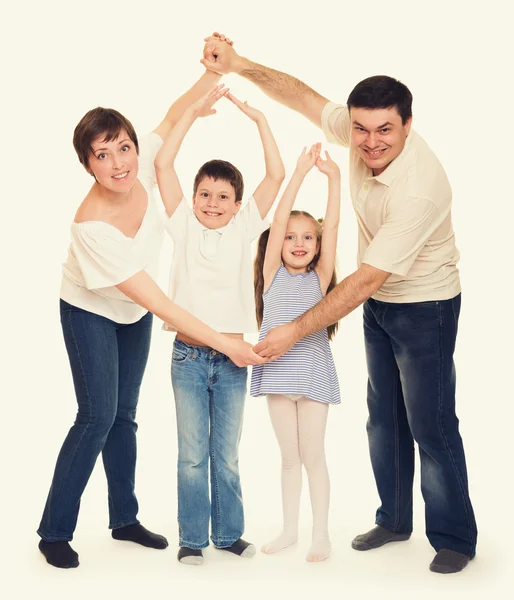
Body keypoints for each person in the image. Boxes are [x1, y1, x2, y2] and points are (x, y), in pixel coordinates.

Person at [200, 33, 478, 574]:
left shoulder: (418, 188)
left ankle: (454, 536)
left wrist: (291, 332)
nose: (371, 142)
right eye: (361, 128)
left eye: (385, 130)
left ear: (408, 125)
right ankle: (394, 519)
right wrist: (238, 64)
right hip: (377, 306)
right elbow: (301, 96)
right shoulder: (356, 132)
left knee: (431, 422)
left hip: (425, 307)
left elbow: (362, 280)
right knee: (383, 419)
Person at [38, 71, 264, 570]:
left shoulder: (139, 171)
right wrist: (229, 345)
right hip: (90, 310)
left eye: (123, 148)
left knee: (124, 416)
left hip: (132, 313)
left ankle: (124, 520)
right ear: (87, 165)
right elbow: (164, 305)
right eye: (102, 155)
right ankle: (54, 529)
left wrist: (210, 73)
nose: (118, 163)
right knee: (96, 416)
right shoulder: (90, 226)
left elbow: (171, 115)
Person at [154, 84, 285, 565]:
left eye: (222, 196)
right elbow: (163, 165)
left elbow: (276, 173)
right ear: (192, 199)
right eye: (204, 194)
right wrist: (191, 112)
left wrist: (259, 121)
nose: (212, 202)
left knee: (225, 455)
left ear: (237, 205)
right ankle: (192, 539)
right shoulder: (183, 223)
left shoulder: (246, 226)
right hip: (188, 358)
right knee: (192, 455)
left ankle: (228, 534)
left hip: (234, 360)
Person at [251, 143, 341, 562]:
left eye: (308, 238)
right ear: (278, 242)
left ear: (319, 246)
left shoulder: (321, 280)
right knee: (289, 459)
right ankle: (290, 530)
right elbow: (279, 215)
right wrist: (300, 173)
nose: (299, 242)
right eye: (290, 237)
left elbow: (334, 227)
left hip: (313, 376)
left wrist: (334, 180)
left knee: (313, 457)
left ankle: (319, 534)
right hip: (278, 378)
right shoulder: (271, 273)